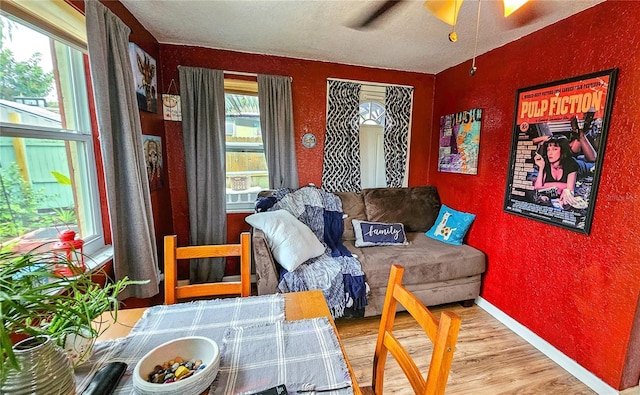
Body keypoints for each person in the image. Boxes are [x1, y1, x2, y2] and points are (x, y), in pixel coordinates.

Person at [533, 134, 580, 207]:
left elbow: (570, 189)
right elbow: (537, 187)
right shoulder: (546, 163)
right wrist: (541, 167)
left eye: (555, 149)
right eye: (548, 149)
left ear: (563, 150)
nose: (550, 153)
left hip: (582, 166)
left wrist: (546, 186)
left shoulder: (571, 164)